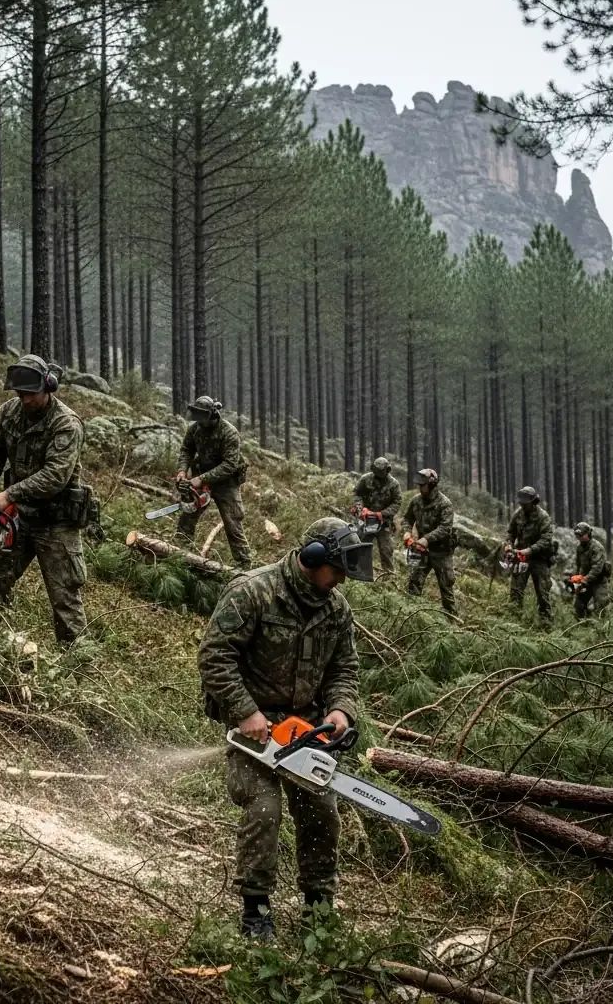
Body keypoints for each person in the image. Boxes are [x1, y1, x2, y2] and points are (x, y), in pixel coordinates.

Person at [198, 517, 363, 940]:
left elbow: (344, 669)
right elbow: (215, 656)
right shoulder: (253, 591)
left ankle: (319, 907)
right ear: (313, 559)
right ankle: (256, 910)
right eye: (337, 568)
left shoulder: (335, 608)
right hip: (252, 730)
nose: (342, 579)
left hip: (303, 730)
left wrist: (341, 710)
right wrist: (244, 711)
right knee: (264, 808)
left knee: (322, 812)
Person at [0, 354, 90, 646]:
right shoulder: (9, 412)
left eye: (31, 394)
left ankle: (78, 668)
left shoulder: (66, 423)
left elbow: (54, 476)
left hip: (57, 521)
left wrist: (8, 494)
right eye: (20, 393)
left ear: (48, 387)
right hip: (18, 518)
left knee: (66, 600)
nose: (25, 400)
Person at [175, 395, 251, 569]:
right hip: (201, 477)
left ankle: (244, 565)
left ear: (212, 414)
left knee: (233, 523)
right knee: (188, 514)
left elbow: (229, 465)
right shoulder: (195, 429)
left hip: (226, 483)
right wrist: (182, 471)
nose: (200, 420)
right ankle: (179, 552)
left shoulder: (229, 432)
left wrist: (200, 479)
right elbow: (186, 449)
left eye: (203, 416)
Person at [402, 467, 457, 616]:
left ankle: (452, 619)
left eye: (423, 485)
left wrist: (427, 539)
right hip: (422, 551)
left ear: (432, 485)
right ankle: (412, 616)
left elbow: (445, 528)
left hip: (441, 552)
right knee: (414, 584)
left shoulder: (445, 503)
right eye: (419, 485)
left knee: (446, 589)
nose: (420, 488)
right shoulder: (416, 501)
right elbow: (407, 518)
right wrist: (407, 532)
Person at [505, 486, 555, 623]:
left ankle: (546, 625)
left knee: (542, 594)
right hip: (521, 558)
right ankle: (514, 623)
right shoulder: (518, 514)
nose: (522, 505)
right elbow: (510, 532)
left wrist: (530, 550)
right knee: (516, 591)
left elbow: (546, 539)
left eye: (525, 503)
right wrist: (509, 546)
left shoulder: (543, 517)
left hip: (539, 559)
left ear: (534, 502)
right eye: (521, 503)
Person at [351, 456, 402, 573]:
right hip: (366, 520)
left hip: (383, 523)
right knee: (360, 545)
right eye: (376, 470)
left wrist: (382, 514)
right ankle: (359, 572)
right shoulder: (366, 479)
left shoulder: (394, 484)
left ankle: (388, 577)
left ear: (387, 470)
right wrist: (360, 509)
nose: (378, 473)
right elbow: (356, 494)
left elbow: (397, 502)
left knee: (386, 550)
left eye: (381, 471)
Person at [572, 521, 610, 618]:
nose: (579, 537)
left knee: (601, 606)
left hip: (599, 581)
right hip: (586, 581)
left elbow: (597, 568)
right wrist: (576, 579)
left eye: (581, 535)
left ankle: (602, 628)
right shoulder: (579, 548)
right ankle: (583, 625)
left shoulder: (596, 547)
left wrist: (584, 580)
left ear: (588, 534)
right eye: (577, 535)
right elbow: (578, 565)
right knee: (579, 605)